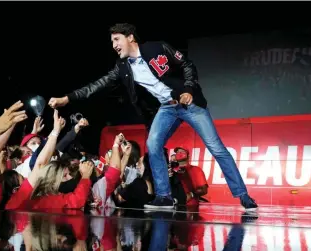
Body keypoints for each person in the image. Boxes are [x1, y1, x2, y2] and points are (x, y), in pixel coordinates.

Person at [48, 23, 257, 210]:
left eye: (116, 39)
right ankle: (164, 197)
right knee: (153, 144)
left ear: (130, 37)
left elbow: (187, 65)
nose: (113, 45)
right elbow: (98, 85)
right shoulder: (123, 67)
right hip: (166, 108)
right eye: (111, 41)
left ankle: (243, 195)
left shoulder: (157, 48)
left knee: (216, 148)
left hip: (190, 103)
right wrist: (68, 98)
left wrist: (188, 89)